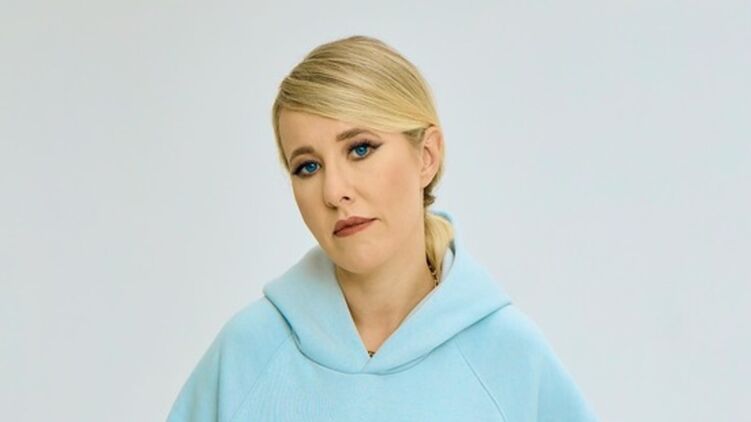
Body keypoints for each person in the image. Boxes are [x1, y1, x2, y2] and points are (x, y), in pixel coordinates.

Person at [166, 35, 599, 421]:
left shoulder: (509, 359)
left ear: (426, 156)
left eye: (360, 149)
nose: (334, 191)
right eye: (308, 167)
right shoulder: (247, 354)